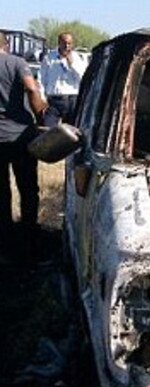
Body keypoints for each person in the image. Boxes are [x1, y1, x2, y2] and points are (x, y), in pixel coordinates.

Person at [0, 33, 48, 263]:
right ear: (6, 45)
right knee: (28, 188)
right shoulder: (17, 63)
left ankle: (6, 242)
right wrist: (40, 119)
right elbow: (32, 89)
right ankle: (29, 239)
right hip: (20, 136)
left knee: (2, 192)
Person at [40, 32, 88, 126]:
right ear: (59, 43)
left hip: (72, 100)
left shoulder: (78, 58)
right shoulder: (49, 58)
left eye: (69, 43)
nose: (67, 46)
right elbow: (41, 79)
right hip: (54, 100)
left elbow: (84, 78)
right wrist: (42, 99)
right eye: (64, 43)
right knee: (48, 130)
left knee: (73, 132)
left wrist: (72, 64)